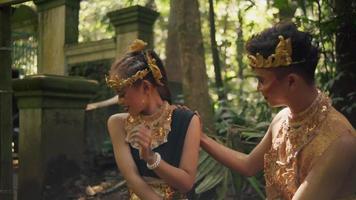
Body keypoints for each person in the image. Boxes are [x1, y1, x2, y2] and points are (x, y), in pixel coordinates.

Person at [200, 22, 356, 200]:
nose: (259, 88)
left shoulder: (340, 141)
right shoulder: (282, 119)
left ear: (291, 81)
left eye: (261, 80)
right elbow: (248, 165)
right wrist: (201, 138)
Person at [106, 39, 201, 200]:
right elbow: (132, 178)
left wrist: (151, 158)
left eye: (123, 94)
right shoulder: (118, 124)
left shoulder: (187, 120)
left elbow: (186, 183)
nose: (120, 101)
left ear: (146, 87)